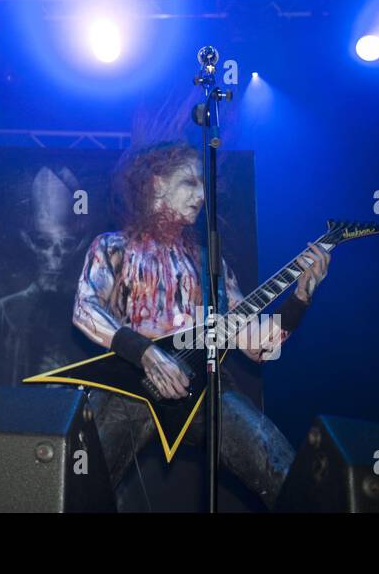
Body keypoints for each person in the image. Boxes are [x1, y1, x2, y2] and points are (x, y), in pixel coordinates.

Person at [72, 141, 330, 510]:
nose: (201, 195)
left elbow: (257, 346)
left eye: (204, 186)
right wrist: (144, 353)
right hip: (129, 385)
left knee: (284, 471)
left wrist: (300, 297)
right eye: (189, 183)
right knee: (77, 483)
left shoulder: (212, 266)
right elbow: (84, 307)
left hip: (207, 389)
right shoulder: (113, 246)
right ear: (158, 184)